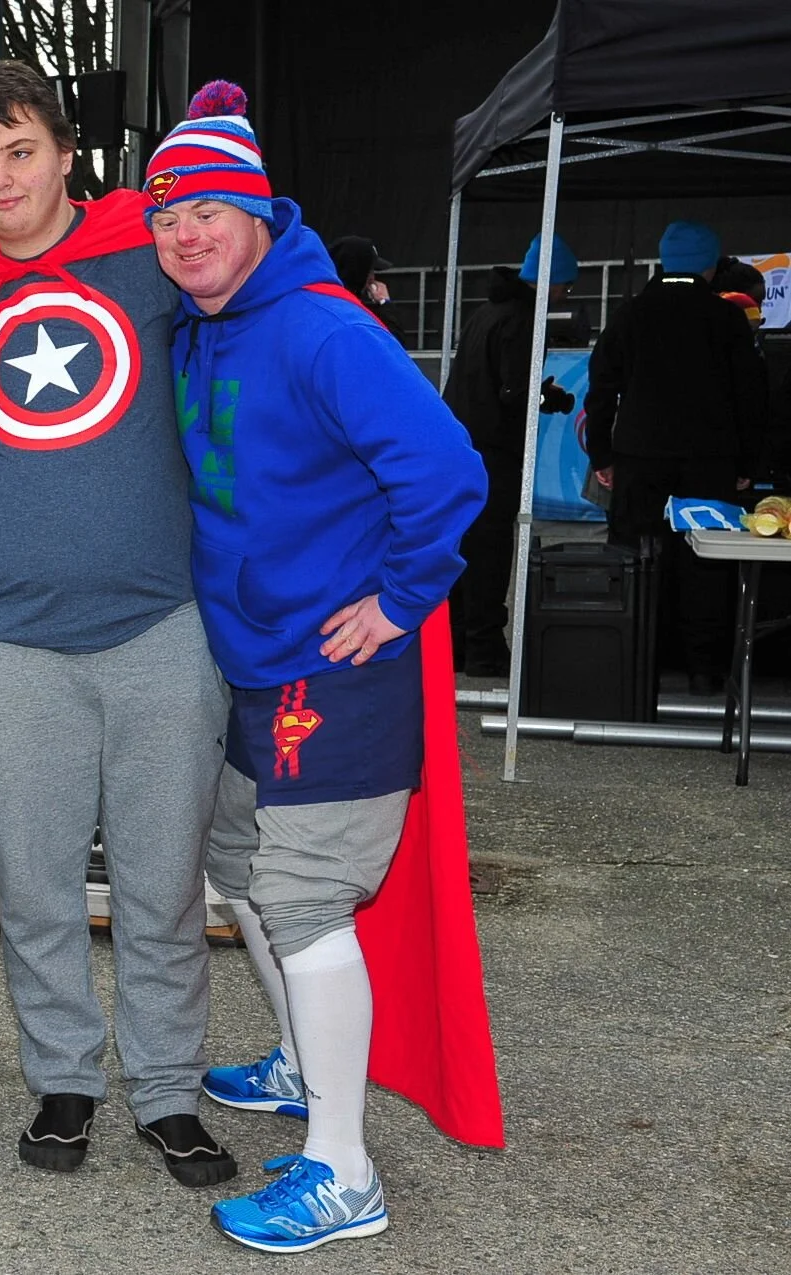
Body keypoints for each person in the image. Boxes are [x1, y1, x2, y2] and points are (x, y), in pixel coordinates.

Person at [145, 80, 487, 1253]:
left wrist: (398, 599)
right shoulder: (203, 323)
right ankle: (301, 1061)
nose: (185, 234)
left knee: (299, 899)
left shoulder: (323, 328)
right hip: (254, 660)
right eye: (166, 217)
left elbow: (447, 471)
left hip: (332, 670)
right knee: (242, 870)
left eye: (206, 211)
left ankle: (342, 1173)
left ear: (256, 215)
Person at [0, 60, 234, 1185]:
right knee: (33, 887)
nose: (0, 179)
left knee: (161, 888)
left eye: (19, 152)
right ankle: (63, 1081)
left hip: (160, 630)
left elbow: (253, 259)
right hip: (8, 642)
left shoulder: (143, 248)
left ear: (63, 154)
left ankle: (166, 1091)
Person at [584, 220, 769, 696]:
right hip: (709, 460)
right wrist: (748, 464)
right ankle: (703, 670)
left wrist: (602, 454)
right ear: (710, 267)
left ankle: (638, 662)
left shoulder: (629, 315)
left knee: (638, 559)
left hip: (639, 458)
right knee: (706, 562)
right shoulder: (726, 318)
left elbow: (600, 391)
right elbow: (751, 396)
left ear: (664, 262)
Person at [443, 232, 582, 675]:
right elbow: (514, 392)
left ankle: (457, 643)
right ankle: (485, 649)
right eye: (565, 285)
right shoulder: (524, 320)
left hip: (459, 446)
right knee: (490, 552)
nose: (566, 294)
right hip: (494, 454)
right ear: (550, 281)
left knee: (463, 550)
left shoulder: (484, 313)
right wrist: (548, 397)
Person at [326, 236, 405, 343]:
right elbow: (392, 345)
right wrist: (384, 302)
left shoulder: (325, 300)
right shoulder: (351, 311)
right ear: (358, 271)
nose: (373, 278)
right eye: (370, 270)